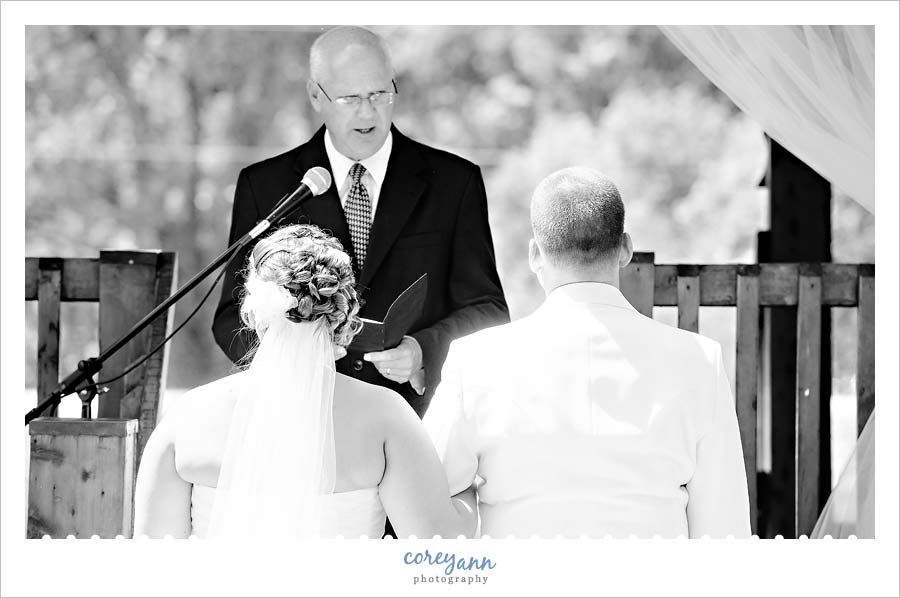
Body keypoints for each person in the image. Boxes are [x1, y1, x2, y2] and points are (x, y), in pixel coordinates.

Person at [423, 167, 752, 538]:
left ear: (535, 255)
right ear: (626, 248)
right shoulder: (699, 361)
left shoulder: (476, 360)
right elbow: (725, 530)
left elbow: (428, 494)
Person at [212, 26, 508, 419]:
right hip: (301, 418)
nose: (367, 112)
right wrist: (294, 362)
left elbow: (488, 311)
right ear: (316, 96)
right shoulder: (266, 187)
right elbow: (232, 316)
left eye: (380, 94)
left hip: (416, 418)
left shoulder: (454, 183)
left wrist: (425, 351)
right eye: (350, 98)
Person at [134, 224, 476, 539]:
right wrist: (466, 491)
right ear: (343, 317)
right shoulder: (386, 416)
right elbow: (438, 548)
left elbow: (152, 570)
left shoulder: (187, 417)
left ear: (252, 312)